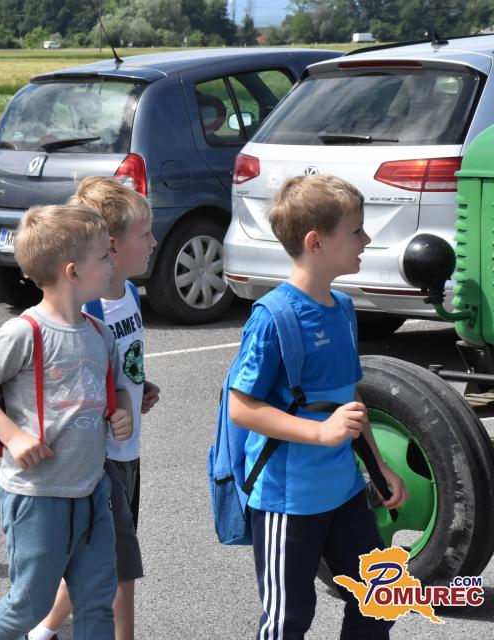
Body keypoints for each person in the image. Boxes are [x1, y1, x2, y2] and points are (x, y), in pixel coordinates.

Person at [226, 175, 409, 640]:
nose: (366, 239)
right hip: (289, 500)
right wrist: (321, 433)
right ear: (316, 242)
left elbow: (350, 400)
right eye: (356, 230)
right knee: (287, 621)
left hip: (343, 491)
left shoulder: (342, 308)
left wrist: (379, 466)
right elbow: (241, 409)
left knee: (380, 600)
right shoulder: (274, 317)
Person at [0, 204, 134, 640]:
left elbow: (115, 387)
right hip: (36, 495)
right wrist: (14, 437)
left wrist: (123, 411)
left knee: (97, 602)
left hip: (91, 491)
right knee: (28, 605)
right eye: (104, 255)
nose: (112, 262)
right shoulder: (25, 332)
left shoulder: (100, 332)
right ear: (73, 272)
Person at [32, 178, 160, 640]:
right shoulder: (89, 310)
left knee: (103, 554)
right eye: (144, 234)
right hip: (99, 458)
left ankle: (41, 631)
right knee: (120, 568)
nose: (154, 242)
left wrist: (139, 388)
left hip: (127, 452)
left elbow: (121, 367)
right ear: (112, 246)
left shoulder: (129, 295)